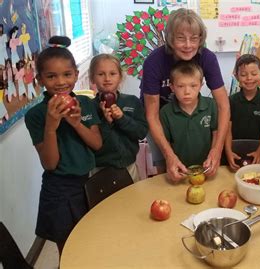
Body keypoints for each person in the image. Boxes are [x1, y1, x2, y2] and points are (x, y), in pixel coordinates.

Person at [24, 36, 102, 253]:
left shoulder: (85, 104)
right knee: (68, 250)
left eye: (67, 74)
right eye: (51, 76)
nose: (60, 82)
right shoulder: (36, 115)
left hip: (88, 184)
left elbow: (97, 144)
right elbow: (50, 164)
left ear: (76, 74)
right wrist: (51, 126)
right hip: (59, 190)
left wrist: (77, 124)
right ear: (39, 80)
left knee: (91, 244)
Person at [140, 8, 229, 182]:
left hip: (188, 112)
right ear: (171, 39)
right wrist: (169, 155)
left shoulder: (207, 59)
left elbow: (223, 105)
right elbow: (152, 114)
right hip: (160, 118)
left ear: (200, 39)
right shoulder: (154, 62)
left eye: (194, 38)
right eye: (181, 38)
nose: (188, 45)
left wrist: (217, 150)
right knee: (166, 170)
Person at [89, 54, 148, 182]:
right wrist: (106, 122)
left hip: (129, 167)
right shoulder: (89, 107)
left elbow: (141, 132)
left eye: (112, 73)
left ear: (120, 77)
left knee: (132, 200)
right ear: (92, 78)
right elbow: (92, 142)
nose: (107, 79)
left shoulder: (132, 102)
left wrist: (122, 118)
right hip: (99, 170)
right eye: (101, 74)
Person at [160, 61, 217, 168]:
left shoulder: (211, 105)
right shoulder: (165, 112)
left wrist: (212, 156)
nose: (187, 91)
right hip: (180, 168)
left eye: (193, 86)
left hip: (207, 166)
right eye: (181, 86)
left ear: (201, 85)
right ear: (172, 87)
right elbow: (165, 141)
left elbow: (216, 132)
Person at [225, 54, 260, 171]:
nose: (249, 78)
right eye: (243, 74)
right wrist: (228, 152)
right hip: (234, 153)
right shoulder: (230, 101)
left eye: (254, 74)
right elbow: (227, 130)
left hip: (259, 153)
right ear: (236, 77)